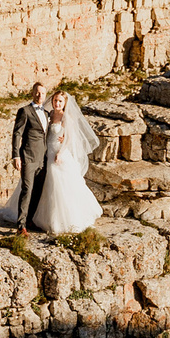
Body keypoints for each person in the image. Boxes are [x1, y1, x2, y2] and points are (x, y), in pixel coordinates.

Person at [29, 89, 103, 235]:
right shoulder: (50, 114)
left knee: (58, 183)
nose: (57, 103)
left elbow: (69, 138)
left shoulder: (66, 117)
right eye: (55, 100)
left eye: (60, 101)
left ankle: (60, 220)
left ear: (65, 103)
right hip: (46, 151)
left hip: (58, 152)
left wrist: (60, 153)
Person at [6, 82, 50, 229]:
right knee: (27, 190)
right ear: (32, 93)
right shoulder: (24, 111)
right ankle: (21, 225)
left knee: (37, 191)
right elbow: (17, 133)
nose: (39, 95)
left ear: (45, 95)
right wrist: (15, 156)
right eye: (37, 92)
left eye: (42, 93)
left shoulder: (46, 113)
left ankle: (30, 220)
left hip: (43, 160)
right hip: (28, 157)